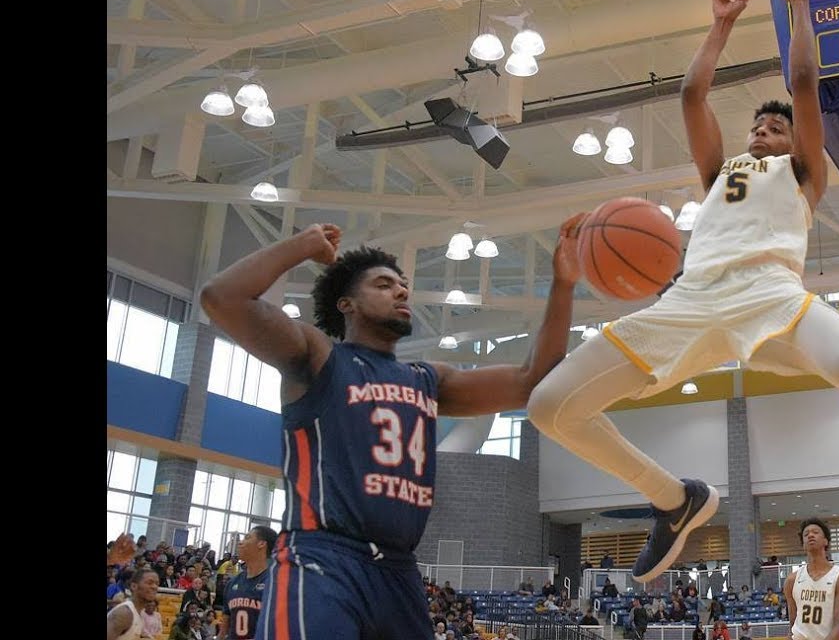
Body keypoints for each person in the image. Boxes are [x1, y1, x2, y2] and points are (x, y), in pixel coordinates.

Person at [525, 0, 839, 585]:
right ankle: (673, 498)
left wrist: (794, 6)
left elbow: (803, 82)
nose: (763, 131)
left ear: (794, 142)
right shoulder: (720, 174)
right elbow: (691, 96)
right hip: (688, 301)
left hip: (772, 296)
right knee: (550, 407)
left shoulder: (801, 174)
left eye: (775, 127)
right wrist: (720, 25)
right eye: (758, 126)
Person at [199, 217, 583, 640]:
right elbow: (222, 297)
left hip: (398, 571)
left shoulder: (427, 379)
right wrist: (302, 245)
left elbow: (534, 380)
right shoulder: (318, 357)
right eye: (383, 284)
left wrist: (562, 285)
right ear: (347, 303)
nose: (401, 290)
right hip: (323, 560)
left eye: (402, 285)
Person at [784, 519, 839, 640]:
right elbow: (793, 624)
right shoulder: (792, 580)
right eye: (806, 534)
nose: (810, 535)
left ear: (826, 541)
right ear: (803, 544)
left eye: (815, 532)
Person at [219, 525, 277, 639]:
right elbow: (223, 631)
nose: (240, 542)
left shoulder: (276, 583)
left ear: (261, 544)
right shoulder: (232, 584)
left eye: (247, 538)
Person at [107, 568, 161, 640]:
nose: (154, 587)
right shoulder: (124, 613)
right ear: (134, 586)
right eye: (149, 583)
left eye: (157, 584)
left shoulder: (140, 612)